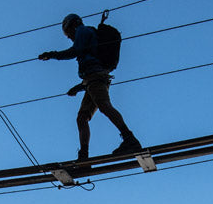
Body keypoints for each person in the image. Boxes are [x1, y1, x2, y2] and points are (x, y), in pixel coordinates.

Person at [39, 13, 141, 161]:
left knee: (104, 106)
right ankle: (84, 156)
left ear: (71, 26)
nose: (69, 37)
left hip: (95, 79)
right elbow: (90, 68)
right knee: (82, 118)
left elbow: (75, 52)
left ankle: (130, 139)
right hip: (92, 81)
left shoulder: (82, 31)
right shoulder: (86, 33)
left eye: (68, 33)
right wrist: (79, 87)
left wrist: (52, 55)